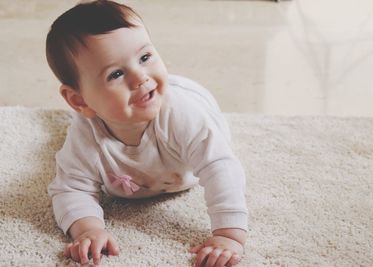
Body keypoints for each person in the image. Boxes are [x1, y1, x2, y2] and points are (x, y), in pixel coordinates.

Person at [46, 1, 248, 266]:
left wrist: (229, 236)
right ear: (79, 101)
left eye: (145, 57)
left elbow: (220, 166)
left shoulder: (182, 114)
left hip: (190, 100)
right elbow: (70, 188)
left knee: (203, 128)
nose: (140, 77)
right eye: (116, 74)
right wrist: (88, 229)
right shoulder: (85, 137)